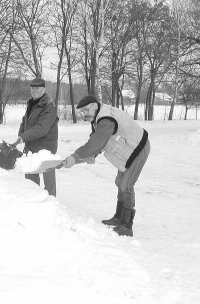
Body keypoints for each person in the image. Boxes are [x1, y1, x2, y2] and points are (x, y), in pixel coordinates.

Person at [63, 95, 150, 237]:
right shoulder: (99, 116)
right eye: (82, 111)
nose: (84, 114)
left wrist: (75, 156)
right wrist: (92, 155)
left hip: (139, 149)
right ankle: (118, 217)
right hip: (130, 149)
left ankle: (126, 226)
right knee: (119, 182)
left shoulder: (106, 120)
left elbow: (95, 143)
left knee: (126, 185)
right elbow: (97, 139)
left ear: (95, 106)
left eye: (86, 110)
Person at [15, 77, 59, 196]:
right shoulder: (32, 103)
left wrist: (24, 137)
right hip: (32, 145)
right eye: (32, 88)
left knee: (48, 178)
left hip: (46, 148)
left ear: (44, 89)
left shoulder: (49, 106)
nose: (34, 91)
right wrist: (20, 135)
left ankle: (52, 203)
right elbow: (25, 121)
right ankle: (33, 198)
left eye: (37, 88)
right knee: (30, 175)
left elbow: (42, 127)